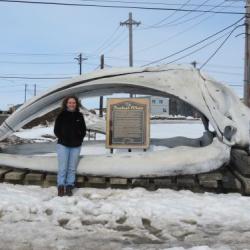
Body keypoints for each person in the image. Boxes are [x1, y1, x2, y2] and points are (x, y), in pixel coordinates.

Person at [54, 95, 86, 197]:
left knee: (72, 168)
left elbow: (83, 130)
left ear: (76, 104)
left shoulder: (79, 116)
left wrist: (79, 139)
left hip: (76, 145)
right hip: (63, 145)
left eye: (73, 103)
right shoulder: (61, 115)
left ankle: (69, 186)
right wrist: (63, 138)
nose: (72, 104)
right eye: (69, 102)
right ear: (66, 104)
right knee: (63, 167)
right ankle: (60, 186)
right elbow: (56, 130)